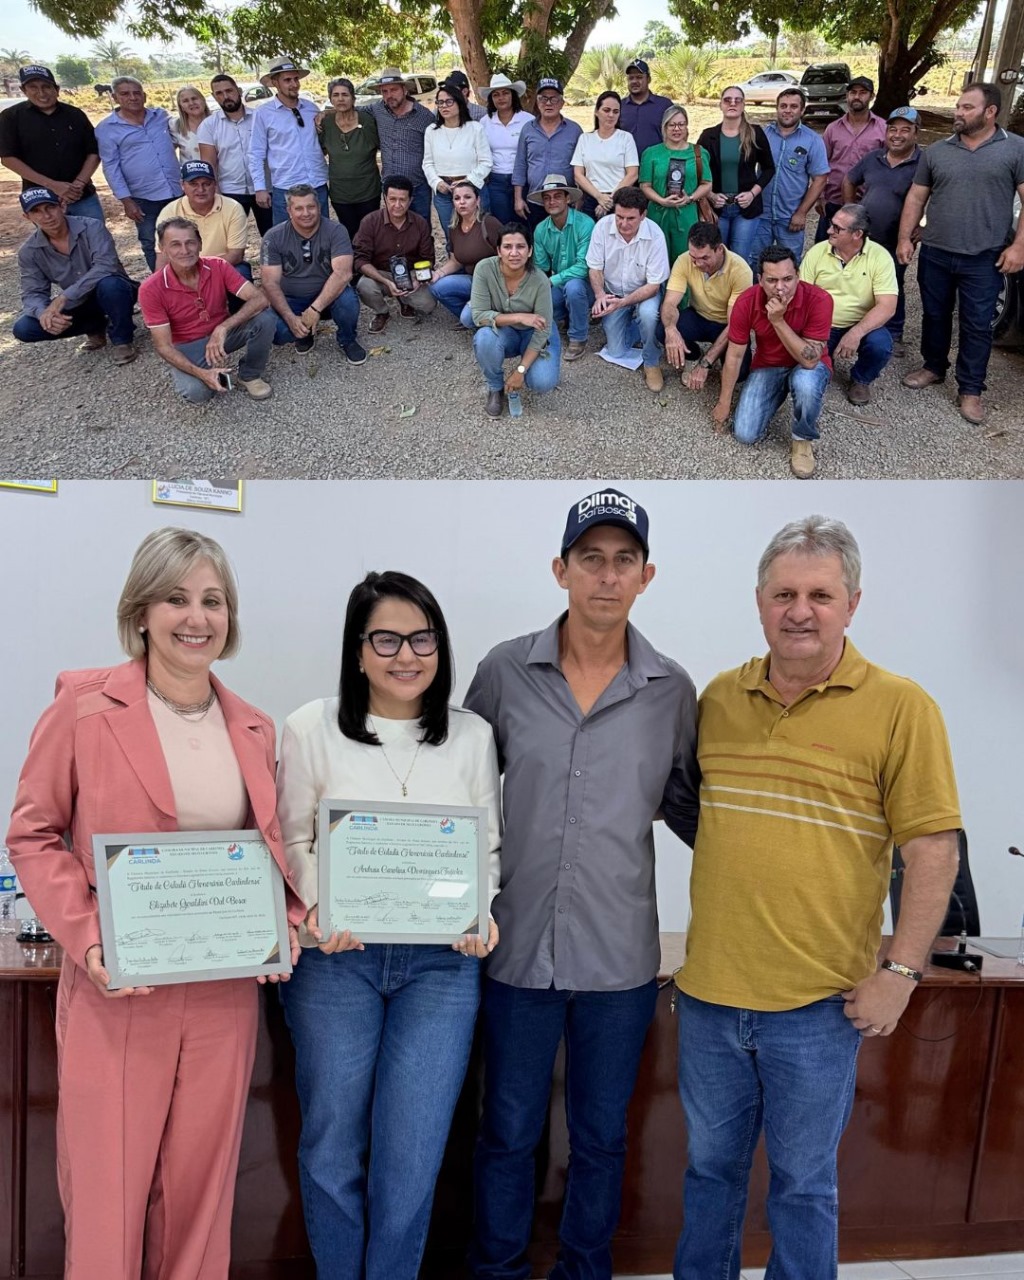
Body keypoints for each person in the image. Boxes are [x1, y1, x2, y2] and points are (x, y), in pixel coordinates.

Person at [6, 525, 304, 1279]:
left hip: (222, 993)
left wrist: (291, 924)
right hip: (119, 987)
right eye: (176, 598)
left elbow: (270, 852)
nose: (196, 616)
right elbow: (34, 833)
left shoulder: (254, 726)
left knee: (201, 1203)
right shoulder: (82, 706)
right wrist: (89, 938)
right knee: (106, 1198)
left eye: (212, 600)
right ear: (141, 611)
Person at [673, 513, 960, 1280]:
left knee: (802, 1188)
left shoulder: (902, 708)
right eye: (784, 593)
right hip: (707, 1002)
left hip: (817, 1009)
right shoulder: (717, 699)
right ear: (760, 602)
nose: (800, 610)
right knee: (708, 1179)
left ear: (853, 603)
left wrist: (900, 973)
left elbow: (932, 850)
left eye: (820, 595)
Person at [465, 487, 699, 1280]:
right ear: (560, 570)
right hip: (515, 949)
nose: (606, 576)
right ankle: (497, 1269)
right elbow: (455, 798)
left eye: (623, 561)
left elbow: (692, 810)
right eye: (590, 560)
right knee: (507, 1131)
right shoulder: (503, 672)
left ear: (647, 576)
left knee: (601, 1138)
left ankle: (583, 1270)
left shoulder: (671, 691)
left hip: (619, 963)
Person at [276, 569, 501, 1280]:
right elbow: (293, 843)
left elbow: (486, 848)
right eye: (386, 639)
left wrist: (479, 910)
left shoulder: (471, 736)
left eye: (422, 638)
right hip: (336, 963)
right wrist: (323, 908)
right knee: (332, 1146)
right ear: (358, 649)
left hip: (441, 968)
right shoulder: (310, 728)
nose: (407, 655)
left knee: (412, 1154)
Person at [897, 82, 1024, 425]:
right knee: (935, 314)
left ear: (990, 112)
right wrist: (905, 238)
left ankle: (970, 389)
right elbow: (915, 198)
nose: (958, 112)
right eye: (958, 106)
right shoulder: (938, 151)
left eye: (967, 107)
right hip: (937, 251)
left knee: (977, 325)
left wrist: (1019, 245)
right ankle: (933, 367)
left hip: (984, 257)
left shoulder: (1015, 149)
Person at [713, 244, 833, 479]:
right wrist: (724, 401)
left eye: (788, 278)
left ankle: (802, 439)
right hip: (769, 365)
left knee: (806, 383)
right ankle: (778, 393)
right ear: (760, 279)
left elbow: (810, 360)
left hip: (808, 365)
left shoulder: (820, 299)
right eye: (772, 280)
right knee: (745, 434)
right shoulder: (747, 301)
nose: (780, 288)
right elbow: (735, 356)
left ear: (798, 275)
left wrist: (778, 321)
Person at [140, 216, 277, 402]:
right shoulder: (151, 288)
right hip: (188, 346)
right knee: (198, 394)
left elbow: (260, 298)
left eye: (190, 243)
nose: (185, 250)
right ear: (163, 249)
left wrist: (222, 328)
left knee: (265, 319)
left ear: (200, 244)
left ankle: (250, 375)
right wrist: (201, 374)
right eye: (175, 245)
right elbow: (163, 346)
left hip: (221, 336)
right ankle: (209, 374)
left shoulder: (217, 266)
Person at [13, 186, 138, 362]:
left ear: (62, 206)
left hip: (115, 292)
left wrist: (64, 297)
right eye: (36, 211)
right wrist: (44, 314)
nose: (47, 216)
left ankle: (122, 339)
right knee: (24, 328)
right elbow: (32, 292)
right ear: (28, 217)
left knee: (111, 285)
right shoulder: (29, 251)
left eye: (50, 207)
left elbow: (106, 265)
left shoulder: (92, 226)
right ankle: (96, 326)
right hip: (79, 303)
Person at [842, 106, 922, 357]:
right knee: (861, 278)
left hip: (896, 238)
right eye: (893, 129)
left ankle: (894, 332)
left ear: (916, 134)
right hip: (865, 235)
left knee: (893, 283)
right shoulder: (873, 158)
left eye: (905, 130)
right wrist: (849, 210)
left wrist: (922, 226)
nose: (897, 135)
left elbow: (936, 194)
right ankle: (864, 325)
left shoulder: (923, 163)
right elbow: (849, 179)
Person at [800, 203, 897, 404]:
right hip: (822, 325)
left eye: (837, 228)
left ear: (857, 234)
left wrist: (856, 333)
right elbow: (802, 296)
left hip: (860, 323)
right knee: (809, 372)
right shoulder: (817, 252)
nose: (829, 231)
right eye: (831, 224)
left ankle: (861, 378)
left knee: (881, 345)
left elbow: (887, 306)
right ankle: (827, 360)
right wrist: (812, 333)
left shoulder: (880, 257)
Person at [261, 183, 366, 362]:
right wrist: (290, 317)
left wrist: (314, 309)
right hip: (292, 299)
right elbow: (270, 283)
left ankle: (347, 339)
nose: (306, 213)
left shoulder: (336, 230)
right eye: (299, 208)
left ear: (319, 207)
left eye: (311, 206)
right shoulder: (272, 237)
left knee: (348, 302)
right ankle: (303, 333)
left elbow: (343, 273)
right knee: (276, 332)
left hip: (328, 298)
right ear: (289, 210)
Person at [470, 221, 561, 417]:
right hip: (507, 333)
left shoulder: (540, 280)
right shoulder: (485, 269)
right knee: (484, 337)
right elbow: (478, 316)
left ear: (529, 251)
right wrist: (519, 316)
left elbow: (542, 330)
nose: (514, 253)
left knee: (542, 382)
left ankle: (526, 369)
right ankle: (495, 387)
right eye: (507, 247)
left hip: (535, 334)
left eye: (520, 246)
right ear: (498, 250)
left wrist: (520, 370)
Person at [586, 185, 670, 391]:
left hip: (644, 292)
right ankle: (642, 329)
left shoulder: (655, 235)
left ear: (643, 215)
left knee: (649, 314)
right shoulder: (602, 227)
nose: (623, 224)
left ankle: (651, 361)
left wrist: (624, 303)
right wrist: (599, 295)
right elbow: (594, 268)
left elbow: (653, 285)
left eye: (630, 218)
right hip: (613, 291)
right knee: (615, 351)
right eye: (619, 217)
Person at [95, 76, 181, 271]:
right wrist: (126, 200)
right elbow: (110, 166)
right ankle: (163, 287)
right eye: (125, 94)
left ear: (144, 95)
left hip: (176, 190)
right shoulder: (106, 129)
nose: (132, 98)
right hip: (143, 197)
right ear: (115, 98)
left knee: (186, 238)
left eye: (136, 93)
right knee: (151, 242)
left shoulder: (161, 116)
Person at [0, 64, 102, 220]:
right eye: (33, 87)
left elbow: (93, 151)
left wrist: (78, 185)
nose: (41, 93)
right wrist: (53, 186)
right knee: (55, 243)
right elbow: (8, 158)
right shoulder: (11, 117)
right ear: (23, 90)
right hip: (41, 201)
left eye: (46, 86)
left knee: (97, 240)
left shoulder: (75, 114)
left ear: (57, 89)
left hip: (82, 196)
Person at [661, 220, 752, 390]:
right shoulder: (684, 261)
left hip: (727, 323)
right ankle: (693, 355)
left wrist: (706, 364)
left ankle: (709, 358)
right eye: (693, 257)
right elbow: (669, 303)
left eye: (705, 258)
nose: (698, 264)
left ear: (719, 249)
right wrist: (671, 330)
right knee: (662, 328)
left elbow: (734, 325)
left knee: (741, 373)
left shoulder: (741, 271)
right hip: (699, 315)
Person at [749, 87, 828, 269]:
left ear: (802, 110)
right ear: (776, 108)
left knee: (790, 265)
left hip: (791, 217)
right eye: (783, 106)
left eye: (793, 106)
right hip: (761, 215)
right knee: (757, 263)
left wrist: (801, 213)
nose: (787, 110)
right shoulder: (763, 135)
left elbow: (820, 179)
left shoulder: (812, 140)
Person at [696, 87, 775, 266]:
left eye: (737, 100)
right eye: (727, 100)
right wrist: (710, 195)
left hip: (746, 209)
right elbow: (698, 171)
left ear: (743, 104)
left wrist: (752, 193)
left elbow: (769, 168)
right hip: (718, 208)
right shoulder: (709, 136)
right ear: (720, 104)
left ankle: (741, 294)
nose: (732, 103)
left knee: (739, 260)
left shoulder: (755, 133)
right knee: (717, 258)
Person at [248, 57, 329, 226]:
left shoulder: (311, 108)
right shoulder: (263, 113)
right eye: (287, 80)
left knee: (321, 236)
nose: (294, 84)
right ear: (275, 83)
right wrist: (260, 188)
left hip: (317, 184)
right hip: (286, 187)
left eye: (295, 79)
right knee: (286, 239)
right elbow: (256, 153)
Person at [353, 174, 436, 332]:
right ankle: (382, 312)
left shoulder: (420, 223)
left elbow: (428, 258)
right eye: (392, 199)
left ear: (410, 200)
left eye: (402, 200)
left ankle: (405, 300)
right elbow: (360, 260)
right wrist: (386, 282)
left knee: (428, 304)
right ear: (385, 198)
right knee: (364, 286)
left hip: (411, 274)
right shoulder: (370, 222)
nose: (397, 205)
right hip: (381, 273)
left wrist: (418, 280)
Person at [197, 74, 273, 237]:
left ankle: (272, 262)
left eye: (229, 90)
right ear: (213, 97)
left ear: (238, 91)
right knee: (230, 238)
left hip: (265, 187)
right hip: (231, 190)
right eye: (219, 93)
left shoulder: (260, 117)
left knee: (272, 235)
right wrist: (215, 192)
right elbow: (209, 163)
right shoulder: (209, 125)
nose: (225, 96)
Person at [531, 172, 595, 362]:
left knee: (574, 286)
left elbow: (584, 267)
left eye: (558, 196)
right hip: (559, 284)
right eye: (547, 198)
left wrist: (551, 281)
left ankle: (578, 337)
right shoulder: (541, 229)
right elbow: (540, 267)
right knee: (538, 305)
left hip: (587, 285)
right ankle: (573, 315)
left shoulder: (585, 224)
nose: (552, 202)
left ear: (568, 198)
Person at [815, 76, 887, 244]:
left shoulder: (883, 128)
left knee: (860, 251)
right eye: (853, 92)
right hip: (833, 201)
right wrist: (820, 196)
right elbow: (821, 164)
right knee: (824, 249)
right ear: (847, 96)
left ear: (872, 96)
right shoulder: (833, 128)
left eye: (862, 93)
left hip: (867, 203)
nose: (857, 97)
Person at [359, 67, 435, 222]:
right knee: (394, 230)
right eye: (384, 91)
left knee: (421, 228)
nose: (389, 95)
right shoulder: (377, 109)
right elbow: (349, 110)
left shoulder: (424, 116)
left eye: (393, 90)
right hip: (390, 188)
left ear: (405, 90)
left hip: (417, 187)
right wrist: (323, 114)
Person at [639, 103, 713, 263]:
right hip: (658, 214)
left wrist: (690, 198)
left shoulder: (699, 153)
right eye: (671, 125)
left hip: (687, 214)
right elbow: (645, 185)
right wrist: (661, 200)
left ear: (687, 127)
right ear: (664, 128)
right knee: (656, 260)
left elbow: (707, 184)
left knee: (687, 260)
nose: (676, 129)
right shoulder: (651, 153)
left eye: (681, 124)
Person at [422, 79, 492, 245]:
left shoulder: (475, 128)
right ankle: (455, 270)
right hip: (444, 193)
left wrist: (467, 182)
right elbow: (427, 163)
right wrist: (437, 183)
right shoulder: (431, 131)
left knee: (479, 236)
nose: (444, 106)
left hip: (473, 190)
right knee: (452, 237)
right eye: (440, 102)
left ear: (459, 103)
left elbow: (486, 162)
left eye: (448, 101)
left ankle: (479, 270)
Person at [156, 161, 250, 278]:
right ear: (182, 185)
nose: (200, 190)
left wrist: (200, 273)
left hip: (222, 266)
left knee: (241, 273)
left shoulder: (233, 208)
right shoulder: (170, 211)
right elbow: (162, 256)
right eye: (193, 184)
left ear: (215, 185)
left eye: (206, 184)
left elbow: (236, 255)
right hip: (183, 268)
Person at [429, 180, 503, 325]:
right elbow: (456, 260)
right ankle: (477, 315)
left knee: (467, 319)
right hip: (473, 281)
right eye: (457, 198)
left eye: (467, 197)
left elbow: (508, 259)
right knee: (437, 286)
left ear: (478, 200)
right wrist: (439, 273)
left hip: (495, 284)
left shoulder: (489, 224)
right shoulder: (454, 227)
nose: (462, 202)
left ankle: (487, 317)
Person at [512, 78, 583, 229]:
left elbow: (582, 167)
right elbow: (520, 165)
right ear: (537, 103)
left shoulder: (575, 130)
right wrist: (518, 198)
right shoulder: (527, 129)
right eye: (543, 98)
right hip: (536, 199)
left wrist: (580, 197)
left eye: (554, 98)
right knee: (538, 242)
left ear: (562, 103)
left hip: (564, 200)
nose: (548, 103)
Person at [321, 77, 382, 239]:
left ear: (353, 98)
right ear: (330, 99)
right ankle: (353, 264)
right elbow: (320, 151)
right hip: (341, 194)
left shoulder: (367, 121)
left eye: (345, 94)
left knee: (370, 234)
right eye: (336, 95)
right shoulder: (325, 124)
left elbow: (382, 145)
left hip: (368, 191)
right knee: (349, 234)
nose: (340, 99)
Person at [571, 91, 639, 220]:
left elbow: (632, 174)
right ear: (597, 112)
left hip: (619, 201)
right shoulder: (585, 139)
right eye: (606, 110)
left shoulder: (626, 138)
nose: (611, 115)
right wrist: (599, 197)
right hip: (591, 200)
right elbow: (578, 175)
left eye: (615, 111)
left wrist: (609, 200)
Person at [479, 73, 533, 224]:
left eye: (505, 93)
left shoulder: (528, 120)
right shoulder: (485, 122)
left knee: (524, 223)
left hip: (523, 181)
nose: (501, 98)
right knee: (501, 224)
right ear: (491, 99)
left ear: (513, 95)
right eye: (496, 94)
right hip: (496, 181)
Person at [619, 58, 673, 156]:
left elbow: (676, 136)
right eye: (631, 78)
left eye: (639, 77)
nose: (634, 81)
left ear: (648, 79)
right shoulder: (619, 106)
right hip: (625, 167)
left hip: (657, 166)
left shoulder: (664, 105)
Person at [170, 84, 211, 163]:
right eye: (185, 101)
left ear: (203, 100)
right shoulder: (175, 126)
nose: (191, 103)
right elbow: (167, 154)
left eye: (194, 98)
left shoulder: (217, 122)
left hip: (220, 174)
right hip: (192, 174)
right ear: (181, 106)